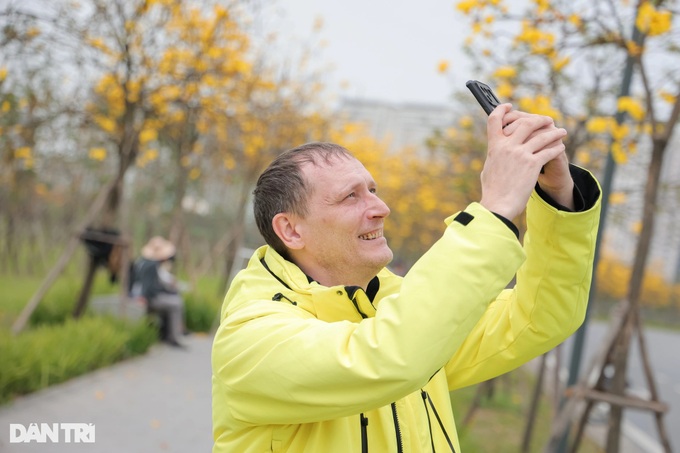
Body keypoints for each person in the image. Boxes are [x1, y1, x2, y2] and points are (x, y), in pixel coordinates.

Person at [211, 104, 602, 452]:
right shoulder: (251, 337)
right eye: (352, 196)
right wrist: (495, 208)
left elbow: (540, 317)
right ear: (292, 231)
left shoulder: (401, 310)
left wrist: (557, 195)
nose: (381, 207)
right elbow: (390, 356)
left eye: (373, 190)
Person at [130, 236, 186, 348]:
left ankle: (166, 334)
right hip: (147, 299)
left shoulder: (141, 262)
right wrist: (167, 290)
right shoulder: (152, 265)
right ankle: (174, 337)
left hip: (136, 295)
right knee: (177, 303)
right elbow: (150, 287)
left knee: (173, 300)